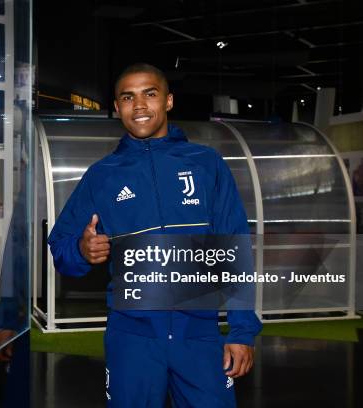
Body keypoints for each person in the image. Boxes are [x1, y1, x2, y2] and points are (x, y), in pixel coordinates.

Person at [48, 63, 262, 407]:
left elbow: (234, 249)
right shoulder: (101, 176)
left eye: (150, 94)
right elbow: (61, 247)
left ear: (169, 101)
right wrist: (81, 249)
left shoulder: (206, 164)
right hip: (132, 337)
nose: (140, 105)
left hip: (200, 335)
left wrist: (241, 331)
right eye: (128, 97)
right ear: (116, 108)